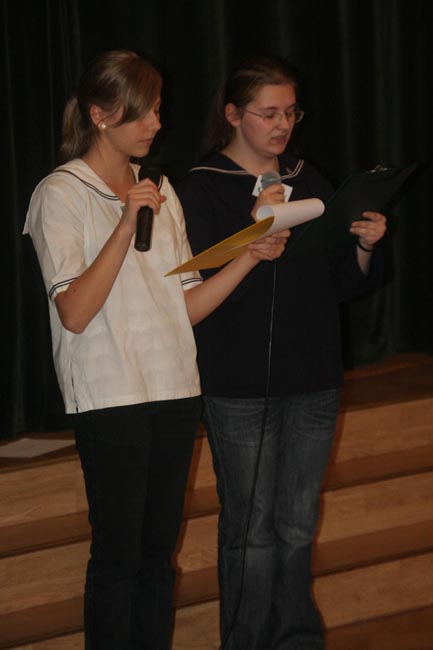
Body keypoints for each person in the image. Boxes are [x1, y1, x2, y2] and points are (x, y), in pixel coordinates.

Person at [23, 50, 289, 650]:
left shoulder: (160, 188)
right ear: (100, 115)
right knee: (118, 558)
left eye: (159, 110)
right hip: (110, 394)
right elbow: (75, 311)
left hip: (174, 388)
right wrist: (124, 224)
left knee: (156, 557)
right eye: (142, 112)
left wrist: (249, 254)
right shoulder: (60, 192)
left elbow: (184, 307)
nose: (156, 125)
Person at [176, 54, 387, 650]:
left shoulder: (308, 176)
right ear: (233, 115)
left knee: (296, 523)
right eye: (268, 113)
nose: (282, 125)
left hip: (314, 371)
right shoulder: (201, 186)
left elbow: (343, 282)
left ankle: (297, 638)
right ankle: (245, 640)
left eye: (291, 112)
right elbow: (194, 284)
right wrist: (252, 232)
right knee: (251, 528)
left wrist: (366, 244)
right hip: (239, 379)